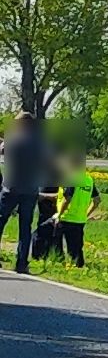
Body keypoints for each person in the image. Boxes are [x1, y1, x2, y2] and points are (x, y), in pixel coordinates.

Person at [0, 113, 47, 274]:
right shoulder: (40, 142)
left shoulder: (13, 139)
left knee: (1, 222)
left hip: (10, 187)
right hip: (30, 189)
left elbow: (3, 150)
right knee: (25, 227)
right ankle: (21, 263)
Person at [55, 154, 98, 268]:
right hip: (80, 219)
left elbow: (67, 199)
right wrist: (86, 213)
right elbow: (97, 200)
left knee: (56, 241)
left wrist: (59, 214)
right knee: (76, 247)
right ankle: (78, 266)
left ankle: (59, 263)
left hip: (66, 217)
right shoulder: (88, 179)